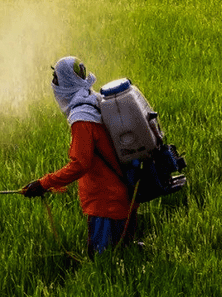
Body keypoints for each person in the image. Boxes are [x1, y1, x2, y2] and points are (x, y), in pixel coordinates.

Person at [21, 56, 138, 256]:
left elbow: (80, 164)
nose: (54, 84)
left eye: (56, 79)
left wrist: (44, 183)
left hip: (105, 204)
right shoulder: (94, 100)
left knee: (102, 264)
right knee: (123, 259)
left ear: (66, 83)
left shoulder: (83, 118)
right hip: (122, 196)